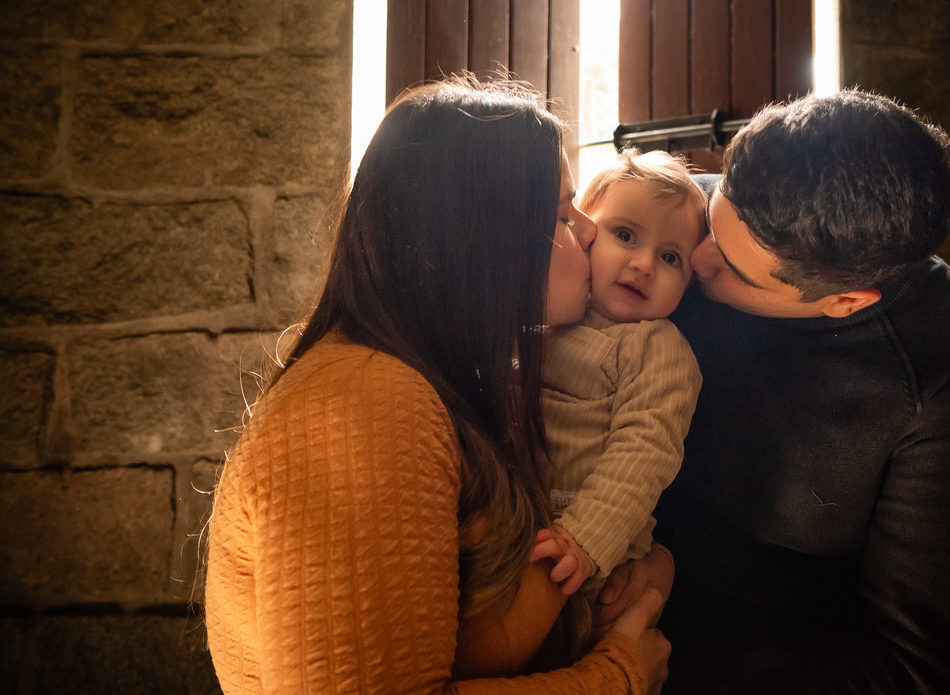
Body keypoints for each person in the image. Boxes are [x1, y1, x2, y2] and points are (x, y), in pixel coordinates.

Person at [204, 77, 670, 694]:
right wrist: (620, 675)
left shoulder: (441, 383)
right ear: (480, 242)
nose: (589, 230)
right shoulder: (362, 405)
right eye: (561, 214)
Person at [630, 89, 950, 693]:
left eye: (734, 270)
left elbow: (908, 670)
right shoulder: (672, 218)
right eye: (715, 220)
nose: (694, 259)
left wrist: (633, 671)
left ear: (848, 301)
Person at [531, 151, 706, 601]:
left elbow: (644, 454)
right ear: (585, 231)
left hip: (590, 549)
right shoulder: (552, 314)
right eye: (625, 234)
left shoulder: (657, 347)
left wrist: (586, 539)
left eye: (670, 258)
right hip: (521, 519)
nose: (644, 264)